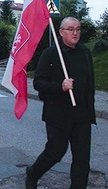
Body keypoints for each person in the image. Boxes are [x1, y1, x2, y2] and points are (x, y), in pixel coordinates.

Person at [25, 17, 96, 189]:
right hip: (58, 115)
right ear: (61, 32)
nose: (75, 33)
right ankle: (33, 173)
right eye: (70, 29)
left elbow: (89, 82)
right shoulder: (50, 53)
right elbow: (38, 83)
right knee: (55, 153)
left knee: (82, 158)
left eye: (78, 29)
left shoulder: (85, 52)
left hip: (82, 114)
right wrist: (60, 86)